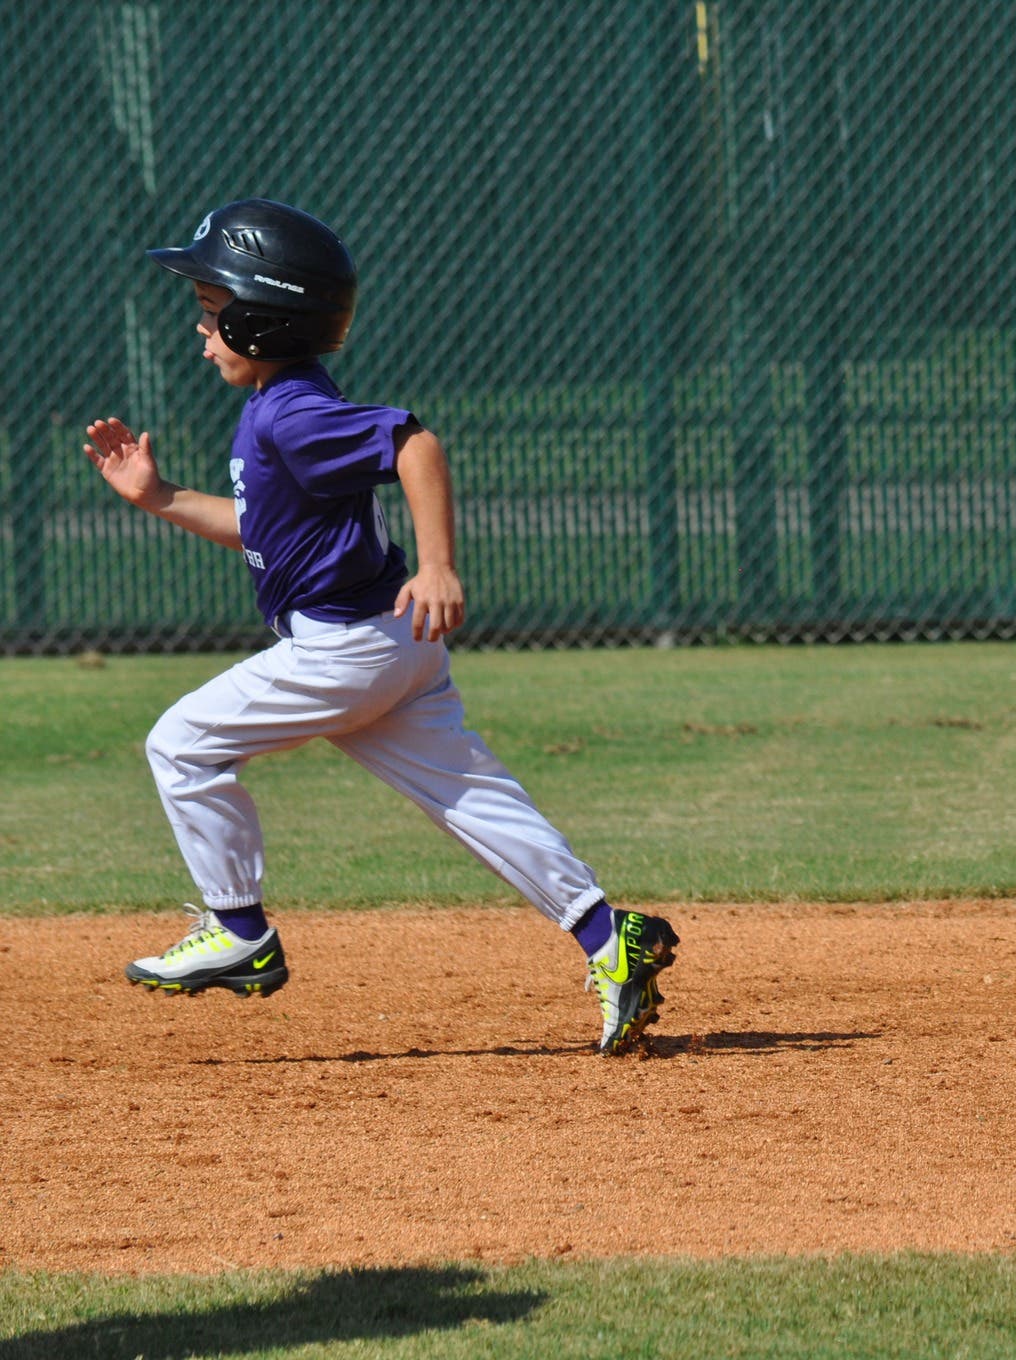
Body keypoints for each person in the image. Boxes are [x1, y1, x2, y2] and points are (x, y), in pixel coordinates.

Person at [83, 198, 676, 1056]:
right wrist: (161, 497)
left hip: (346, 646)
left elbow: (415, 444)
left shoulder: (289, 411)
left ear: (261, 319)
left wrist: (439, 564)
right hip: (396, 647)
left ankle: (239, 927)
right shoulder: (288, 408)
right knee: (472, 800)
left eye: (213, 312)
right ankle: (606, 938)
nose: (200, 329)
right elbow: (270, 528)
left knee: (181, 744)